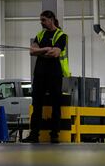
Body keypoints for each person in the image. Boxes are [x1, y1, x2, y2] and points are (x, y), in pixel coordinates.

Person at [23, 10, 70, 144]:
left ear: (51, 19)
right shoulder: (40, 34)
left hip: (54, 75)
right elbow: (32, 51)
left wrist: (40, 51)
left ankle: (54, 134)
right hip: (39, 74)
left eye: (43, 20)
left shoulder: (61, 35)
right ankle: (34, 134)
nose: (41, 22)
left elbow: (55, 53)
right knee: (36, 105)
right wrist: (45, 49)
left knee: (56, 105)